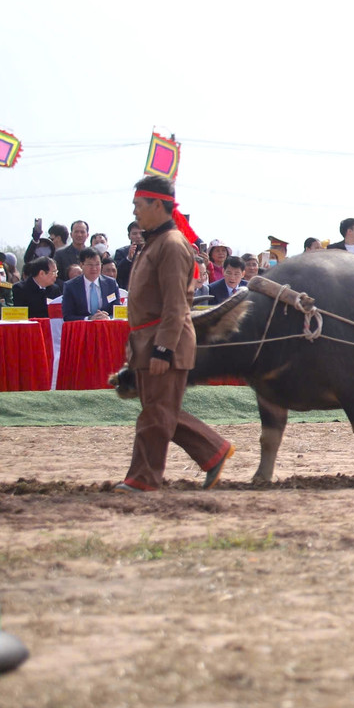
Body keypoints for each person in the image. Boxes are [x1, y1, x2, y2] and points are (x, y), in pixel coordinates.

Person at [115, 176, 235, 492]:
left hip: (164, 341)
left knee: (156, 415)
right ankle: (214, 451)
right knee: (161, 410)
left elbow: (176, 304)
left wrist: (163, 349)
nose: (135, 212)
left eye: (138, 205)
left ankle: (143, 479)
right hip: (147, 340)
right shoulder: (154, 243)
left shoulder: (171, 245)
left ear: (157, 205)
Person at [62, 248, 118, 321]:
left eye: (97, 264)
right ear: (81, 265)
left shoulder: (111, 284)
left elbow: (117, 311)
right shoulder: (71, 286)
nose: (94, 268)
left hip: (106, 327)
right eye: (90, 264)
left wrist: (108, 318)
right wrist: (89, 319)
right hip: (82, 329)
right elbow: (67, 316)